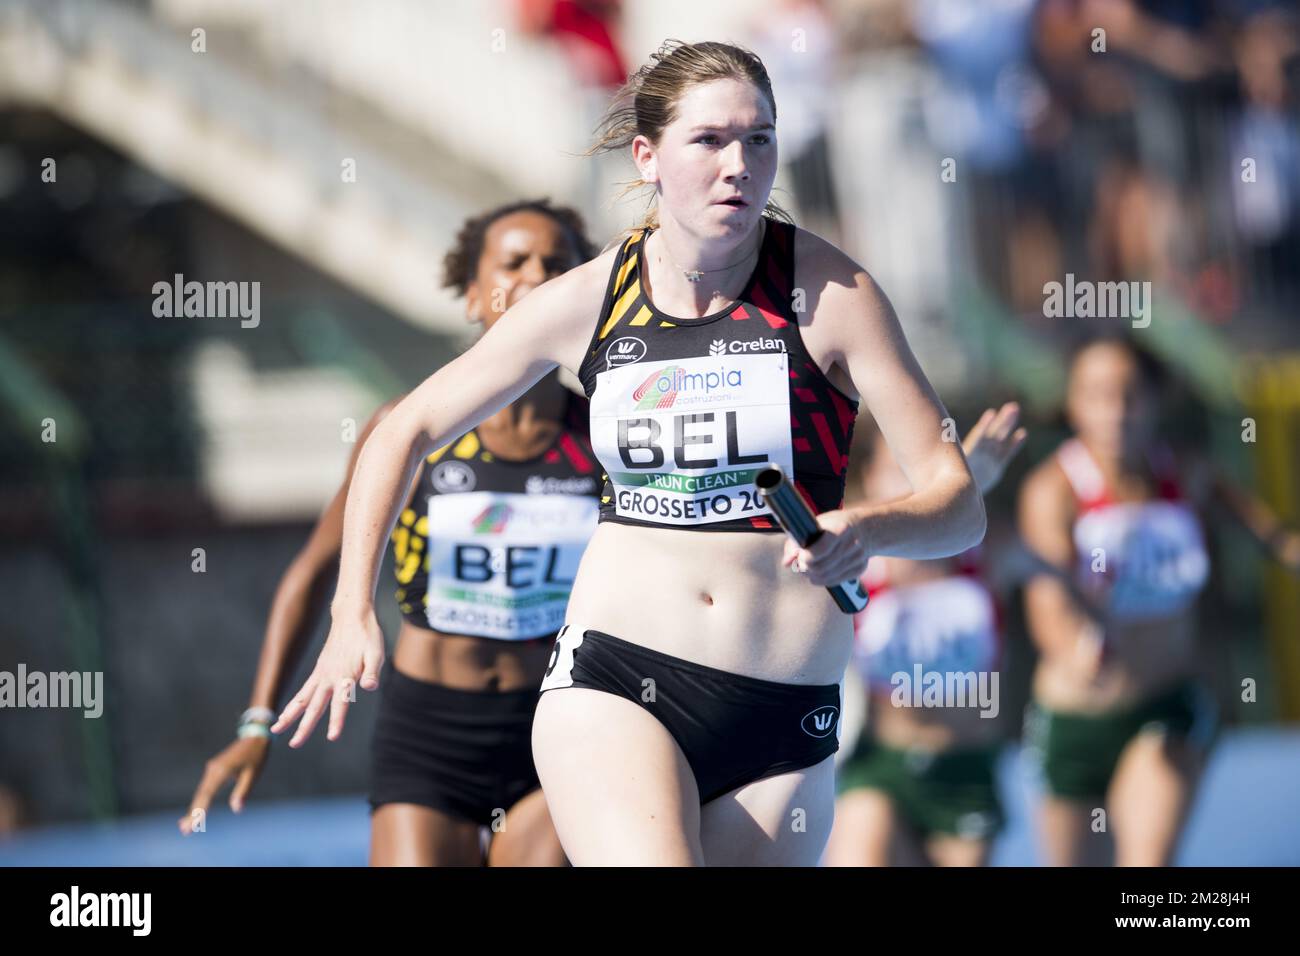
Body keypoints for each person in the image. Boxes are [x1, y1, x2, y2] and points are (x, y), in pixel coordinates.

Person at [272, 39, 986, 866]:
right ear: (647, 156)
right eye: (710, 140)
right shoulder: (587, 302)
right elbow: (405, 428)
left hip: (785, 718)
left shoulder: (834, 297)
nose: (739, 166)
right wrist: (352, 608)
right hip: (619, 682)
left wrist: (870, 528)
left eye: (759, 139)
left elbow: (957, 501)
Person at [181, 200, 600, 866]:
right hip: (429, 731)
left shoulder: (610, 438)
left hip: (557, 723)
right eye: (513, 262)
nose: (536, 277)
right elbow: (317, 569)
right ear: (472, 295)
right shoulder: (408, 432)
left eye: (558, 265)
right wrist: (257, 720)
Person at [1019, 333, 1300, 866]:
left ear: (1155, 400)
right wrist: (1078, 644)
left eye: (1130, 394)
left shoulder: (1187, 474)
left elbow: (1266, 533)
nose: (1117, 411)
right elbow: (1049, 593)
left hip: (1164, 709)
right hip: (1074, 721)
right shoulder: (1053, 489)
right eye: (1098, 394)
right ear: (1074, 404)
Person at [827, 403, 1026, 867]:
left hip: (966, 769)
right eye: (897, 469)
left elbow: (1065, 558)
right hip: (882, 764)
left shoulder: (988, 553)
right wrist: (956, 489)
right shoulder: (849, 564)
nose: (913, 486)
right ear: (870, 479)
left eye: (923, 472)